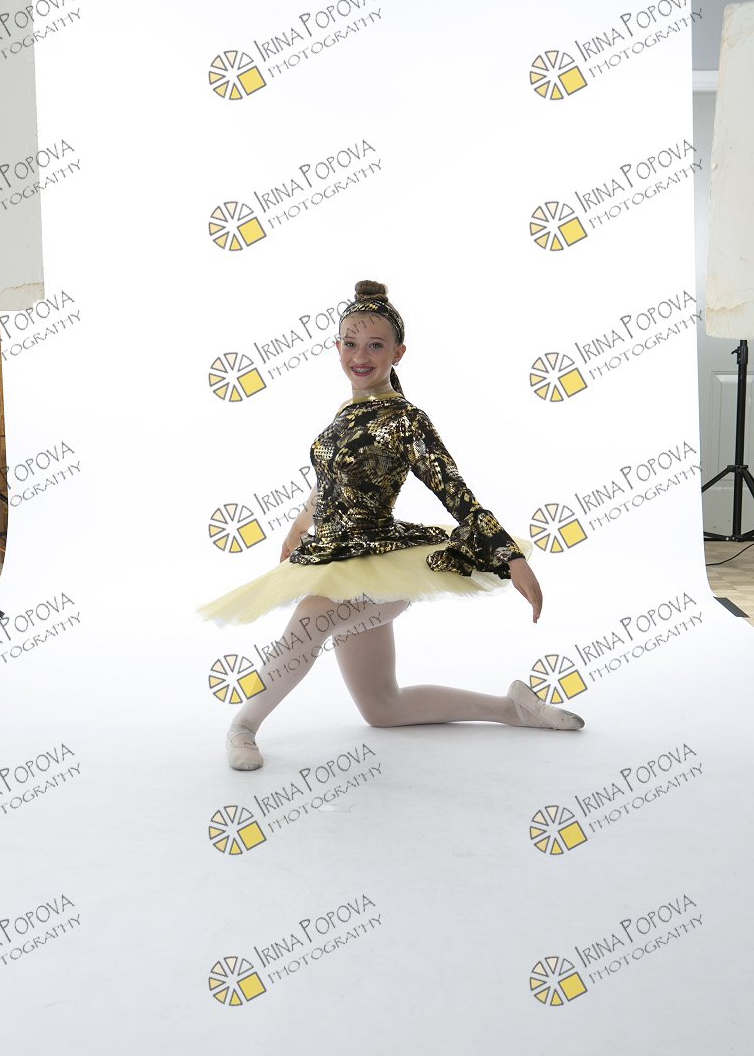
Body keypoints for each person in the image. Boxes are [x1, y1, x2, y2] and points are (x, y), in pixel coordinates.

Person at [195, 280, 585, 770]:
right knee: (382, 707)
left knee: (311, 621)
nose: (361, 356)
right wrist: (298, 526)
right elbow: (331, 484)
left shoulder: (406, 420)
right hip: (333, 560)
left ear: (398, 353)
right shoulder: (345, 414)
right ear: (337, 347)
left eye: (376, 345)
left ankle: (243, 726)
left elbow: (456, 493)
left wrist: (512, 558)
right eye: (351, 343)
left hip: (381, 565)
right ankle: (514, 709)